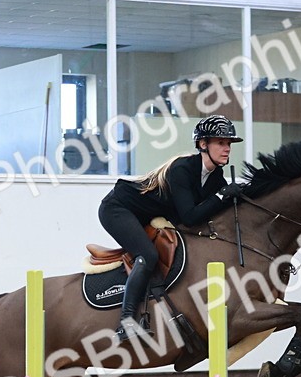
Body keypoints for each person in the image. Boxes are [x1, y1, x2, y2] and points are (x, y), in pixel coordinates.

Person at [98, 114, 244, 342]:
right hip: (118, 208)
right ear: (203, 144)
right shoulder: (181, 170)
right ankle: (126, 323)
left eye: (228, 144)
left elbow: (210, 213)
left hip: (144, 215)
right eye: (221, 143)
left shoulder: (217, 180)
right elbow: (190, 216)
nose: (227, 149)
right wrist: (222, 195)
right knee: (147, 254)